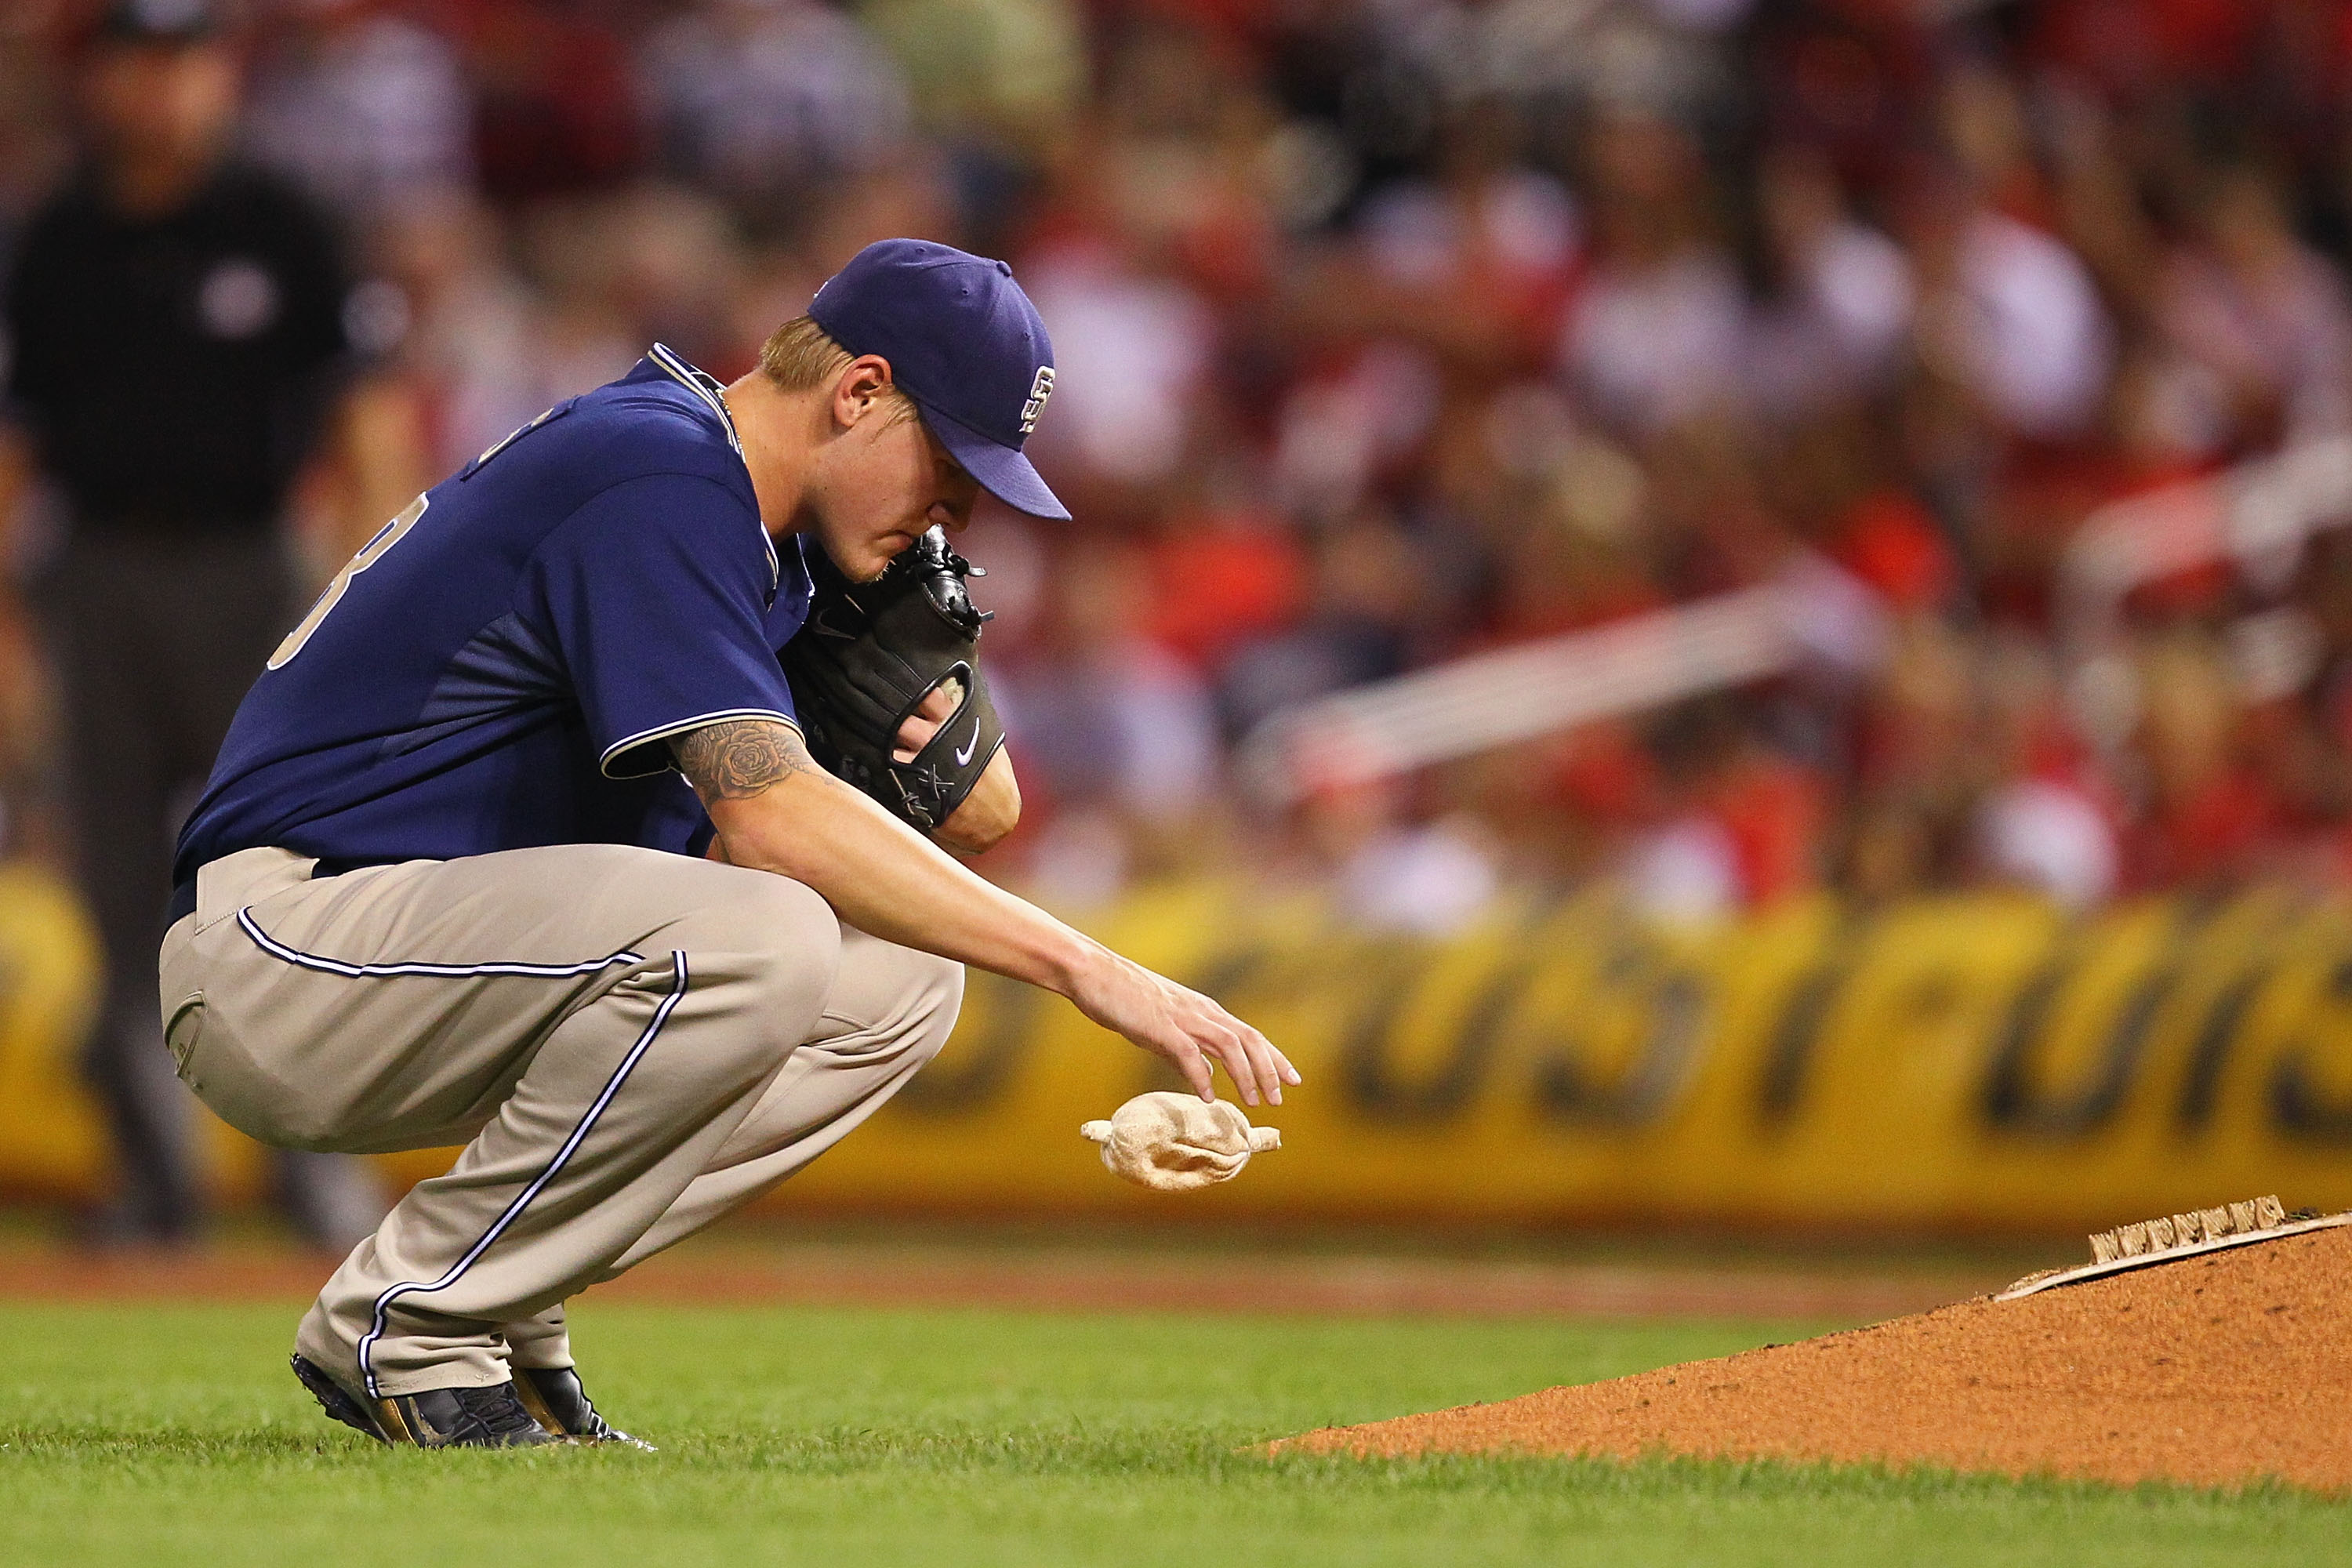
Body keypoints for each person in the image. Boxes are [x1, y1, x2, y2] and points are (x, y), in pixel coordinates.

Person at [162, 238, 1298, 1449]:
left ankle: (504, 1294)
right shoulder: (657, 473)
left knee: (899, 986)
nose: (955, 517)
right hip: (291, 943)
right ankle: (412, 1324)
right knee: (765, 934)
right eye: (950, 470)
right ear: (859, 392)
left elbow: (983, 809)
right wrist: (1095, 970)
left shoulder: (773, 542)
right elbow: (768, 814)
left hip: (443, 946)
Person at [0, 0, 398, 1250]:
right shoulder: (55, 236)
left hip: (255, 576)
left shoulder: (282, 219)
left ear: (220, 76)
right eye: (139, 64)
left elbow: (368, 420)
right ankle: (157, 1183)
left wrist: (371, 595)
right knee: (120, 890)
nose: (164, 90)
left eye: (186, 62)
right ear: (102, 81)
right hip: (100, 574)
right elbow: (16, 446)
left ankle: (318, 1174)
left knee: (289, 884)